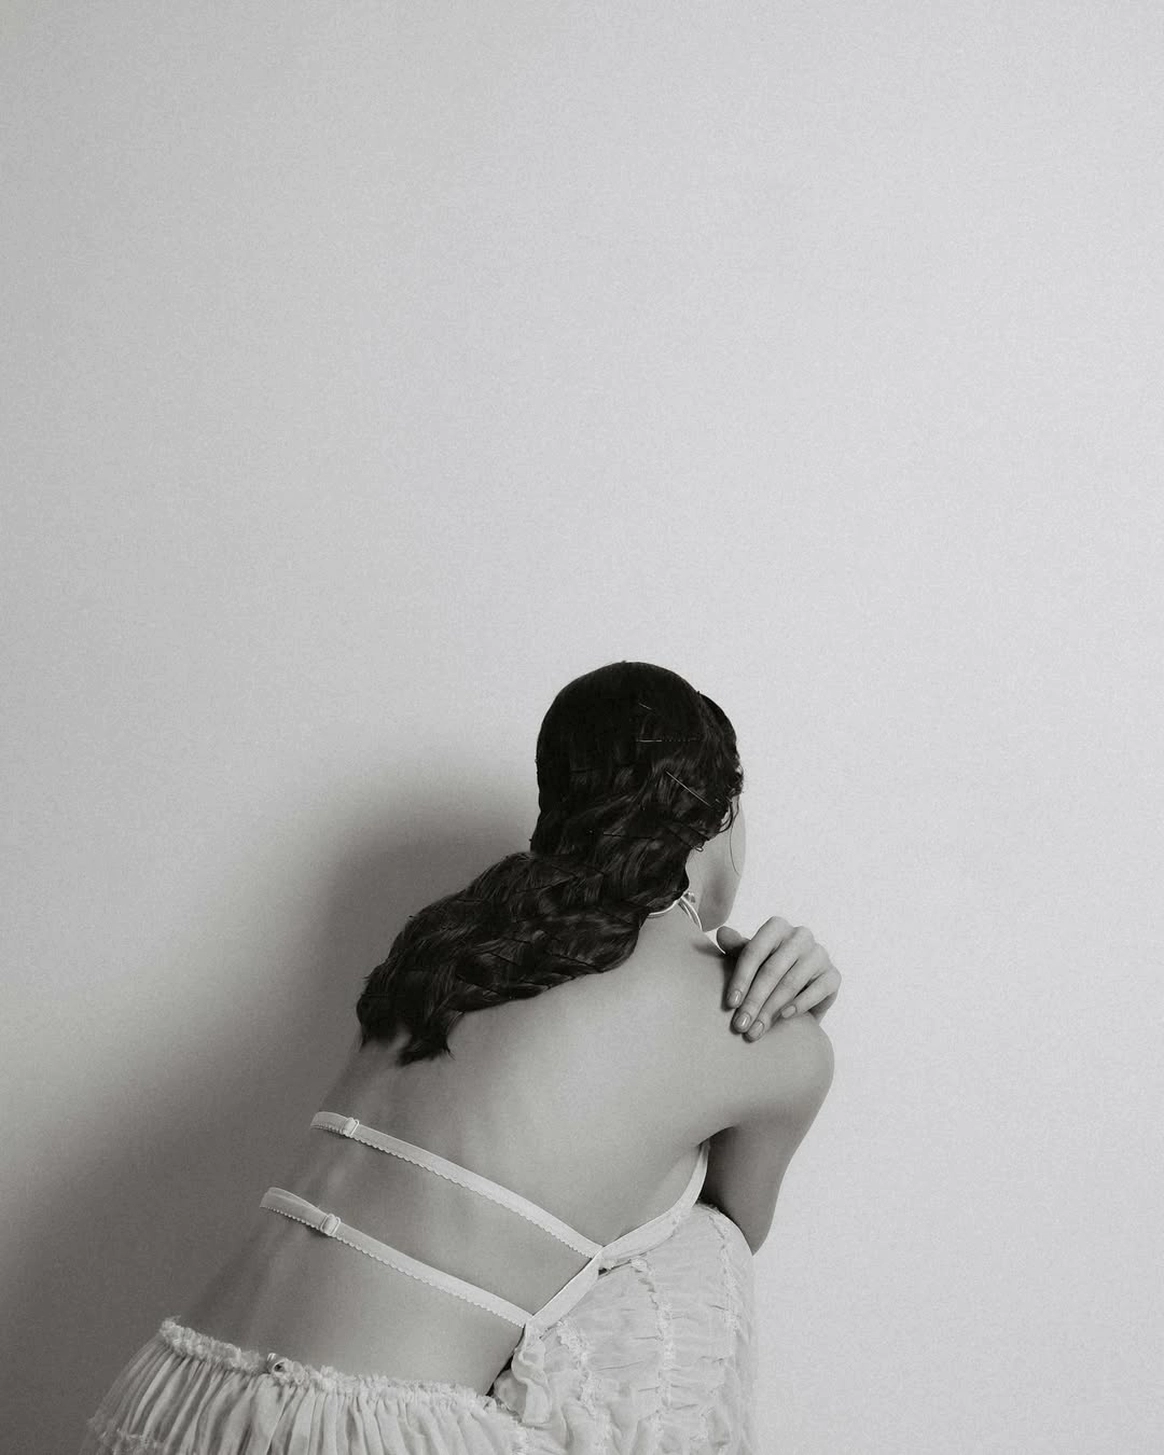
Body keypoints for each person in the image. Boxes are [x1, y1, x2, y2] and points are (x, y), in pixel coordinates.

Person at [79, 660, 838, 1454]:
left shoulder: (452, 945)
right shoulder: (760, 1034)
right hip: (364, 1435)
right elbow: (720, 1237)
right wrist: (793, 1012)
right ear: (725, 811)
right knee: (700, 1234)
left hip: (170, 1398)